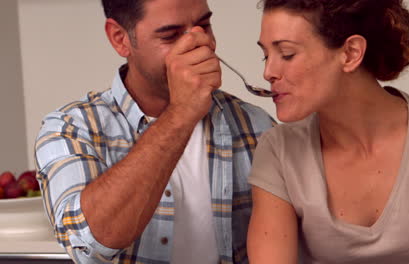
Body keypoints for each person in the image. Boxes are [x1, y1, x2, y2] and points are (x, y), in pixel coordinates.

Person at [34, 0, 274, 263]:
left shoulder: (257, 127)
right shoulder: (71, 129)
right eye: (171, 35)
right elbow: (89, 243)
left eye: (204, 25)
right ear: (120, 39)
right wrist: (181, 113)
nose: (199, 45)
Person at [247, 0, 409, 263]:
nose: (268, 72)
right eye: (266, 55)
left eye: (286, 54)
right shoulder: (278, 151)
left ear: (351, 53)